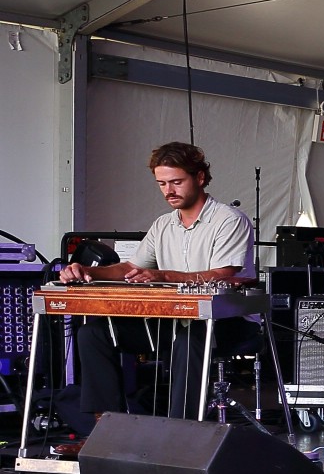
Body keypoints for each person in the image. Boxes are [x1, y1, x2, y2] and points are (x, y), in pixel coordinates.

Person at [59, 141, 259, 421]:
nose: (169, 191)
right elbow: (131, 267)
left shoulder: (229, 220)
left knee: (189, 339)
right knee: (93, 334)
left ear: (200, 177)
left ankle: (180, 431)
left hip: (229, 323)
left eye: (176, 182)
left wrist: (163, 275)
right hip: (174, 321)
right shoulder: (163, 225)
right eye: (162, 184)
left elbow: (223, 274)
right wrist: (87, 271)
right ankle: (108, 427)